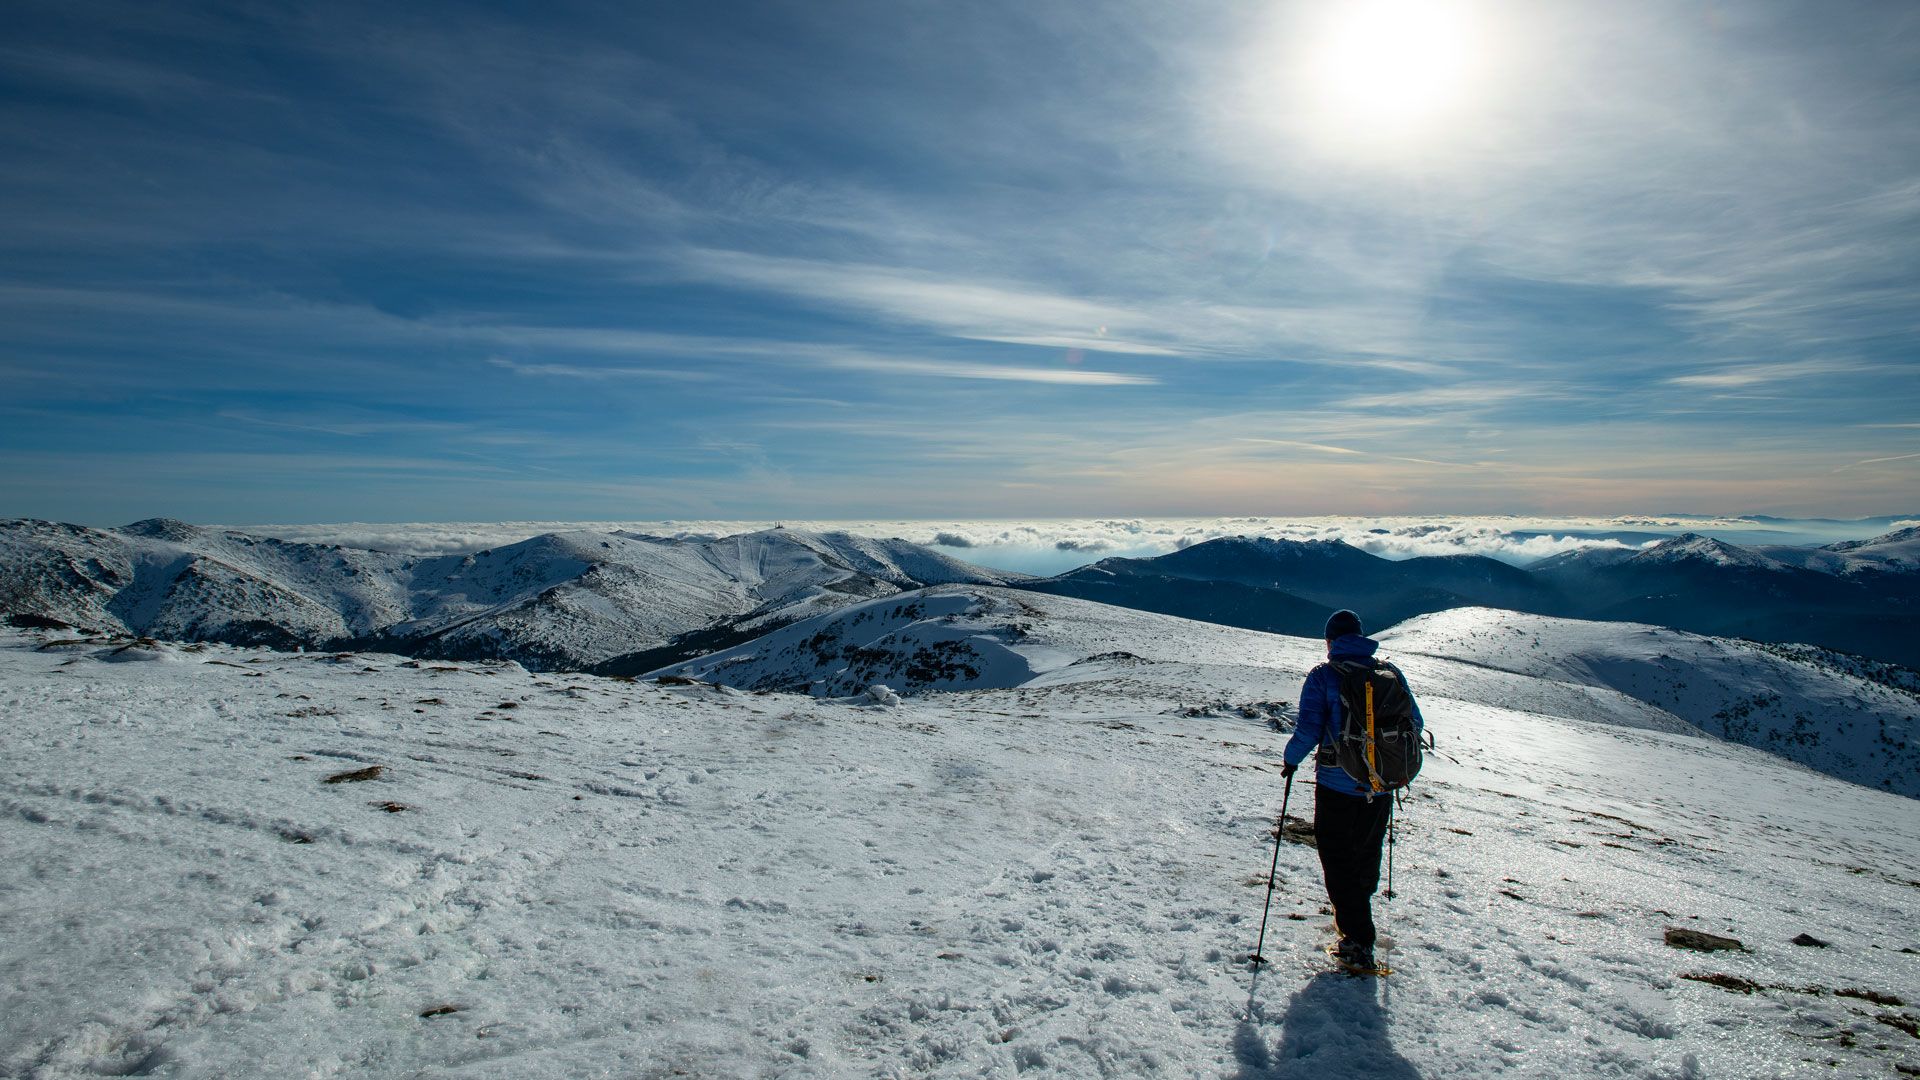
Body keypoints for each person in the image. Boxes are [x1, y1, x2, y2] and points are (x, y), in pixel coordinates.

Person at [1281, 609, 1424, 971]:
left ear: (1330, 641)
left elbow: (1310, 729)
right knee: (1365, 851)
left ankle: (1358, 940)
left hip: (1336, 783)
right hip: (1380, 783)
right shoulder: (1389, 674)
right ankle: (1356, 912)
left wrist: (1291, 759)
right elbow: (1416, 723)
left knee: (1337, 856)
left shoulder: (1323, 676)